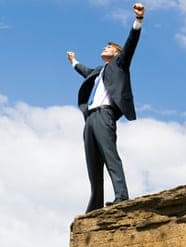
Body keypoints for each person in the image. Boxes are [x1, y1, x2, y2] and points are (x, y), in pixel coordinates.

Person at [67, 3, 145, 213]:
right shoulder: (99, 71)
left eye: (108, 47)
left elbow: (131, 43)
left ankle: (122, 195)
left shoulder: (120, 64)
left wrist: (138, 20)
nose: (104, 48)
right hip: (90, 118)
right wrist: (74, 62)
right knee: (92, 163)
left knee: (109, 155)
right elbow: (85, 71)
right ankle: (95, 206)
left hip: (105, 115)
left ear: (116, 53)